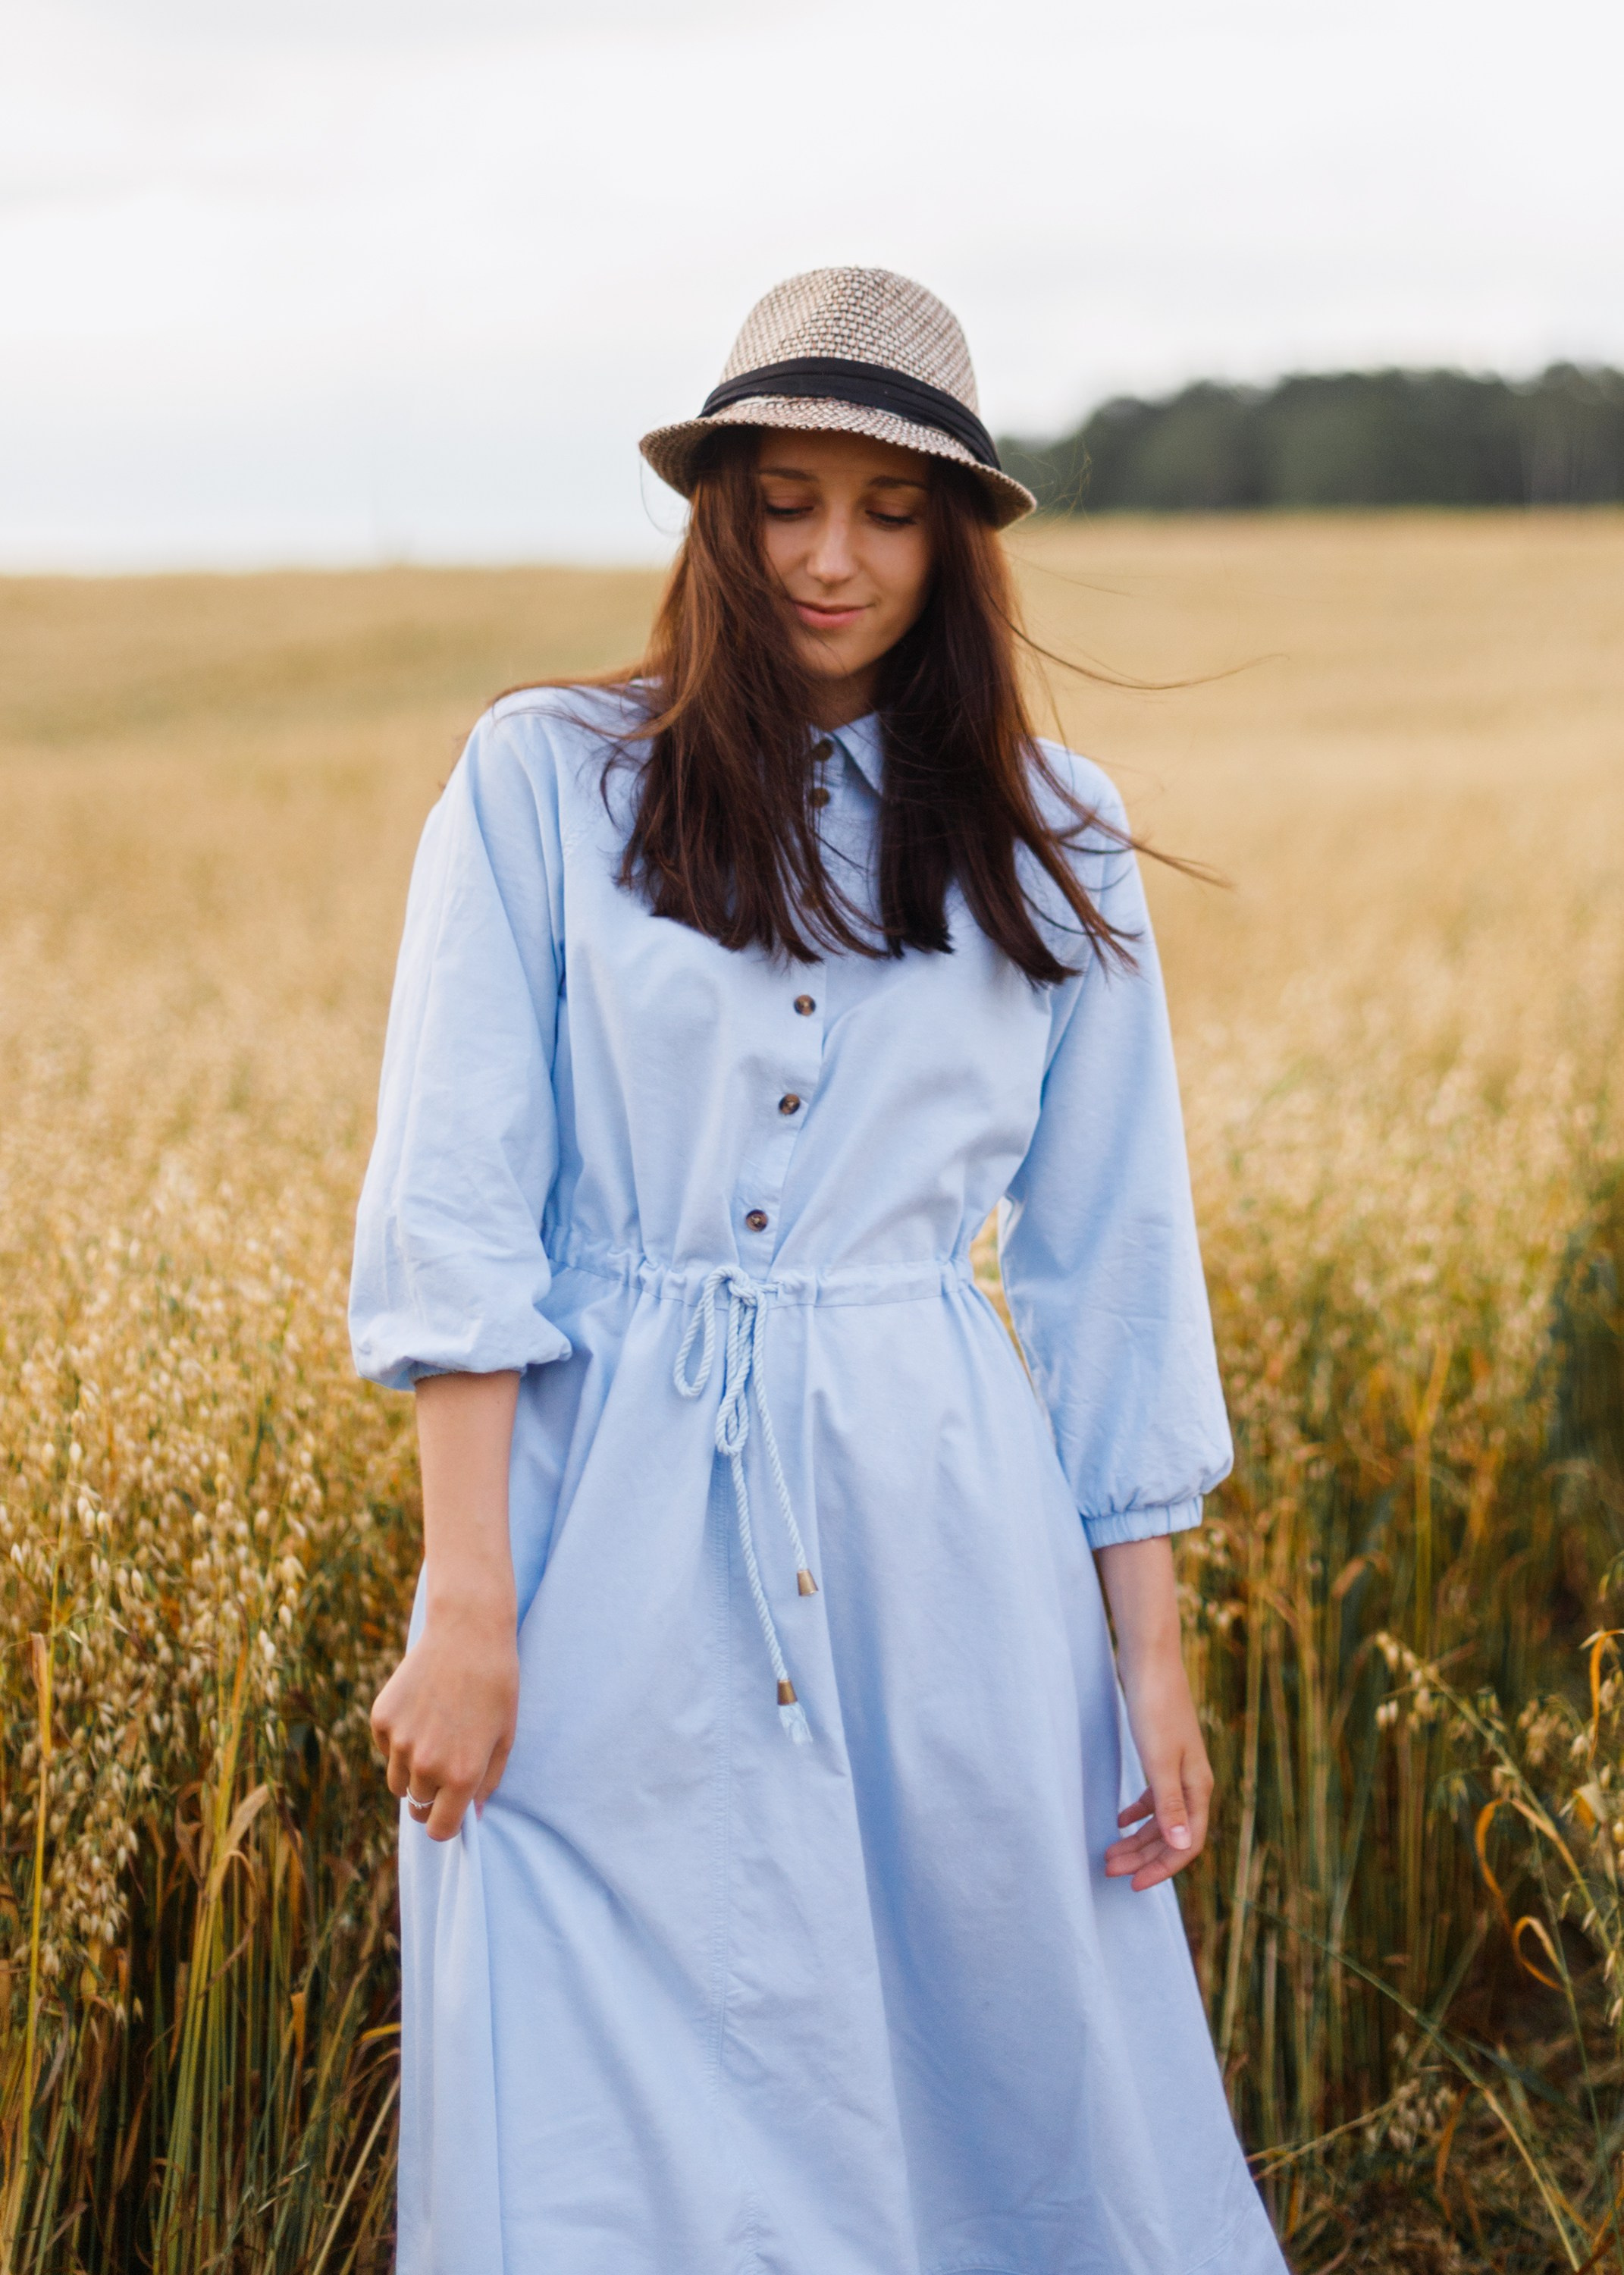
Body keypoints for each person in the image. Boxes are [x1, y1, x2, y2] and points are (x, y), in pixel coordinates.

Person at [351, 266, 1287, 2275]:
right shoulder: (548, 783)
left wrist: (1152, 1654)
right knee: (591, 2131)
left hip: (938, 1531)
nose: (830, 559)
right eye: (785, 500)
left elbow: (1114, 1247)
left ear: (956, 537)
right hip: (590, 1542)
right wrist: (466, 1600)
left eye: (886, 509)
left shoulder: (1058, 832)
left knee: (983, 2083)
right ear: (720, 514)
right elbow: (457, 1205)